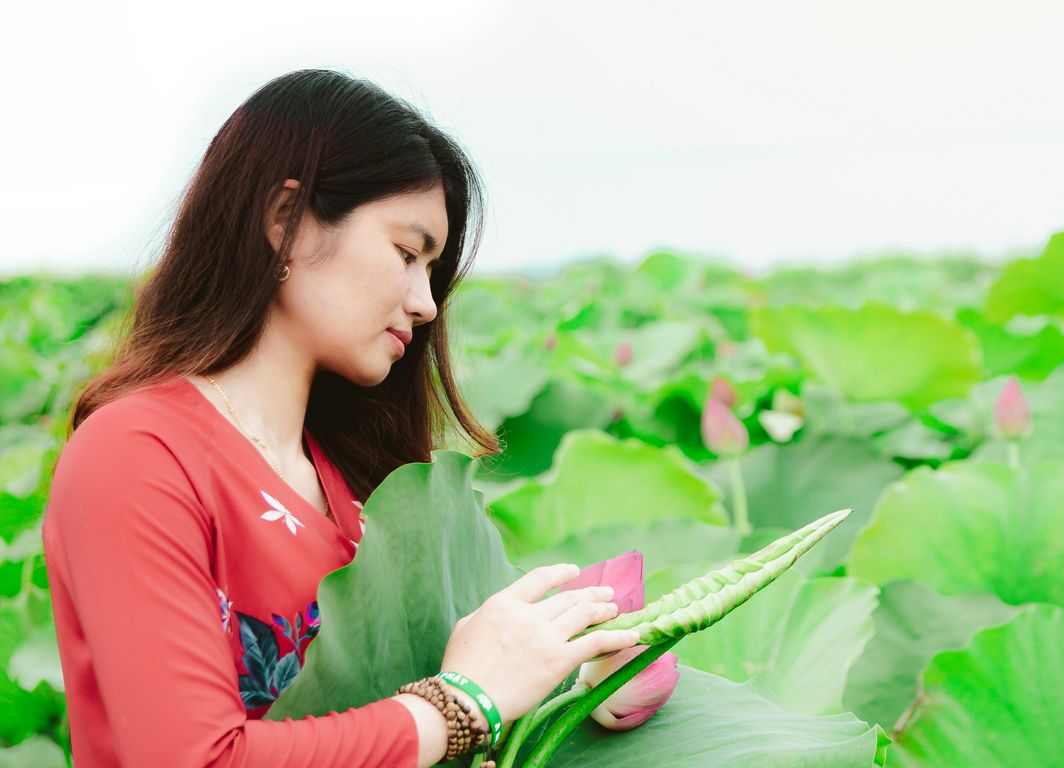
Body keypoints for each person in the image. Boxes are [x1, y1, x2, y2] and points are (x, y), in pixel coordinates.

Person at [41, 68, 640, 767]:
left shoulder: (353, 483)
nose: (425, 304)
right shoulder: (136, 454)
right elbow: (194, 758)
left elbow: (437, 697)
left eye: (432, 269)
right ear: (284, 221)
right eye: (407, 253)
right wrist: (463, 704)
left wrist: (579, 681)